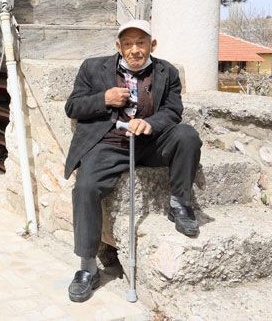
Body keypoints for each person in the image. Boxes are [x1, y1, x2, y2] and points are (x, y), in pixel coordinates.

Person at [63, 19, 202, 303]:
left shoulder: (167, 71)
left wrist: (151, 123)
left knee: (187, 135)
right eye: (128, 44)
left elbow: (173, 111)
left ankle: (180, 205)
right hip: (109, 143)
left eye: (141, 43)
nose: (135, 50)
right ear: (119, 46)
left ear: (152, 45)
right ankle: (87, 267)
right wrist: (104, 98)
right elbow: (73, 107)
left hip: (149, 142)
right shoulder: (93, 67)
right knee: (86, 187)